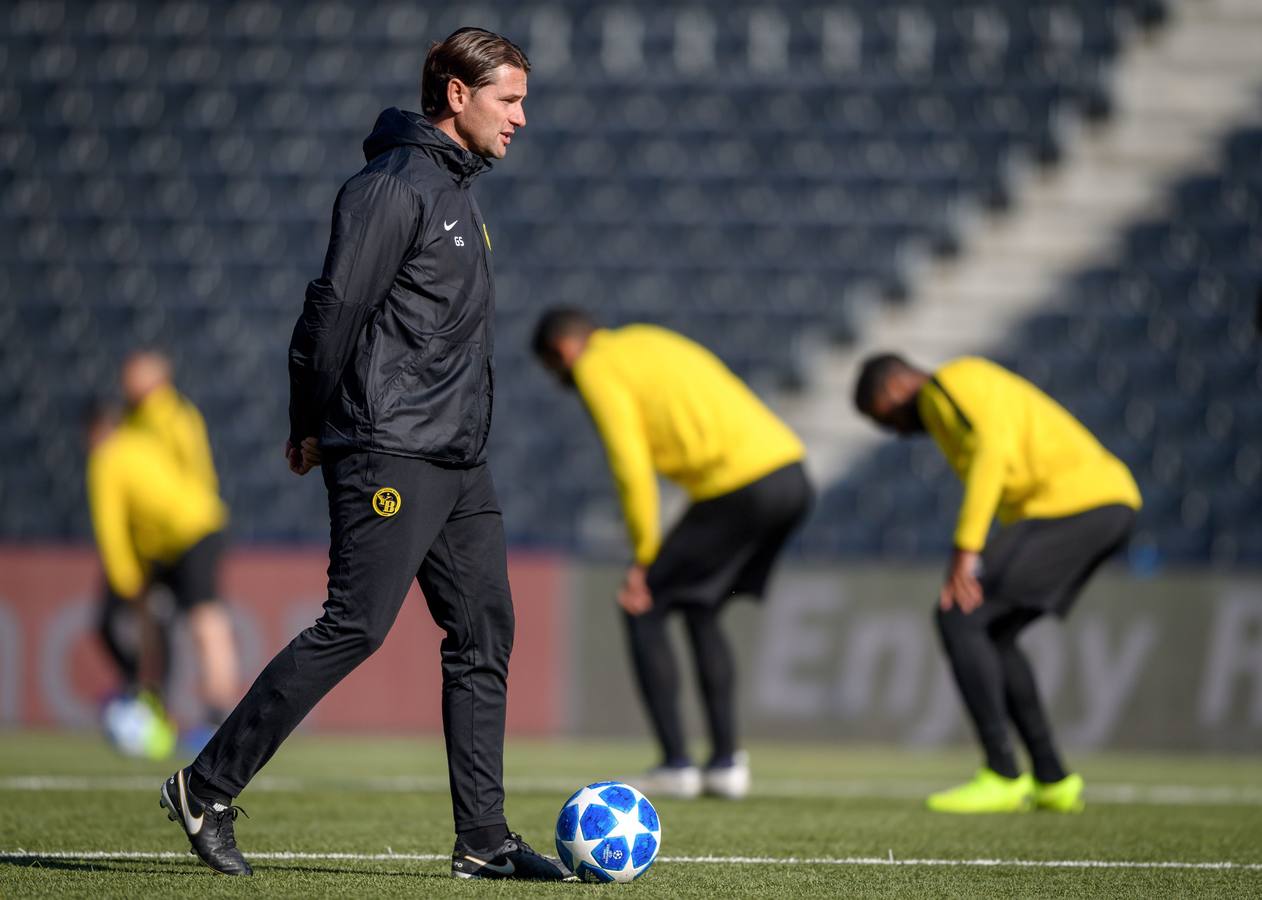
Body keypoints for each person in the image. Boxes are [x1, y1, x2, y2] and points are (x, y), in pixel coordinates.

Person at [157, 28, 572, 881]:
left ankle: (485, 842)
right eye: (510, 99)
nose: (522, 117)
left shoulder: (456, 191)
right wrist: (309, 420)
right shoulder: (392, 187)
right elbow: (330, 314)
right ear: (457, 96)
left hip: (458, 457)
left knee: (484, 629)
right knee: (357, 627)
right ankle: (208, 785)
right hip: (390, 448)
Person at [532, 308, 813, 800]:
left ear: (563, 352)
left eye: (557, 373)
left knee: (643, 604)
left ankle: (676, 764)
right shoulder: (646, 339)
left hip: (738, 485)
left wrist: (643, 557)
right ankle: (726, 764)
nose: (565, 383)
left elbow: (630, 464)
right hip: (790, 474)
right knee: (702, 607)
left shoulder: (596, 368)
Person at [853, 354, 1142, 814]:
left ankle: (1003, 773)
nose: (896, 432)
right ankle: (1052, 779)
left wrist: (967, 548)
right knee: (995, 631)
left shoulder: (942, 388)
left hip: (1075, 503)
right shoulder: (967, 390)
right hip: (1099, 504)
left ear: (892, 391)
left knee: (957, 613)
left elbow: (993, 449)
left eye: (884, 418)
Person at [85, 404, 232, 757]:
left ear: (93, 432)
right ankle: (167, 707)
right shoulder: (143, 439)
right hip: (189, 528)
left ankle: (206, 719)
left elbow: (110, 526)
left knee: (202, 620)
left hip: (188, 534)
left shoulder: (106, 456)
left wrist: (126, 582)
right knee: (181, 622)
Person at [119, 350, 239, 732]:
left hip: (194, 531)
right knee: (150, 622)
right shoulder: (132, 421)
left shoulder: (175, 417)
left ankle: (219, 711)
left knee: (205, 618)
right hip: (158, 544)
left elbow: (197, 475)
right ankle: (153, 704)